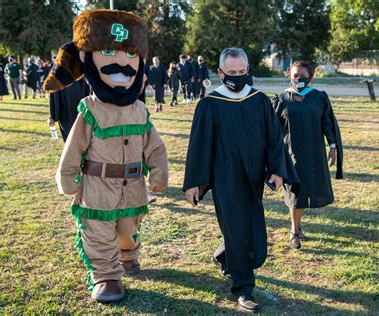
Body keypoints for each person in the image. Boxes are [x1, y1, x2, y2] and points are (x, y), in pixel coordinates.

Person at [44, 9, 168, 303]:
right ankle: (106, 276)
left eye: (128, 55)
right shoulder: (90, 108)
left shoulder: (139, 109)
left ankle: (127, 254)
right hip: (97, 187)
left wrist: (159, 173)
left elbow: (154, 145)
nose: (121, 63)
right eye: (109, 51)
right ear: (88, 60)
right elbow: (74, 145)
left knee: (128, 228)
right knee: (98, 231)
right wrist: (66, 175)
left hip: (133, 187)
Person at [183, 47, 299, 313]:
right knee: (238, 229)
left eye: (242, 71)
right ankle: (243, 288)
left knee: (246, 225)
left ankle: (224, 256)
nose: (237, 76)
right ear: (221, 73)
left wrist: (278, 170)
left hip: (254, 176)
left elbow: (274, 139)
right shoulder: (210, 104)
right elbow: (199, 146)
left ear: (248, 70)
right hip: (224, 178)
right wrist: (195, 182)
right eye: (231, 72)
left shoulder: (259, 100)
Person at [272, 60, 343, 249]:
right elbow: (272, 129)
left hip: (313, 153)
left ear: (310, 77)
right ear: (289, 75)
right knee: (295, 192)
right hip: (290, 153)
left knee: (304, 191)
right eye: (295, 75)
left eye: (302, 76)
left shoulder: (318, 97)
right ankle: (294, 232)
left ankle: (297, 226)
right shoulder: (282, 99)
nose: (298, 79)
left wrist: (333, 147)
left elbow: (327, 123)